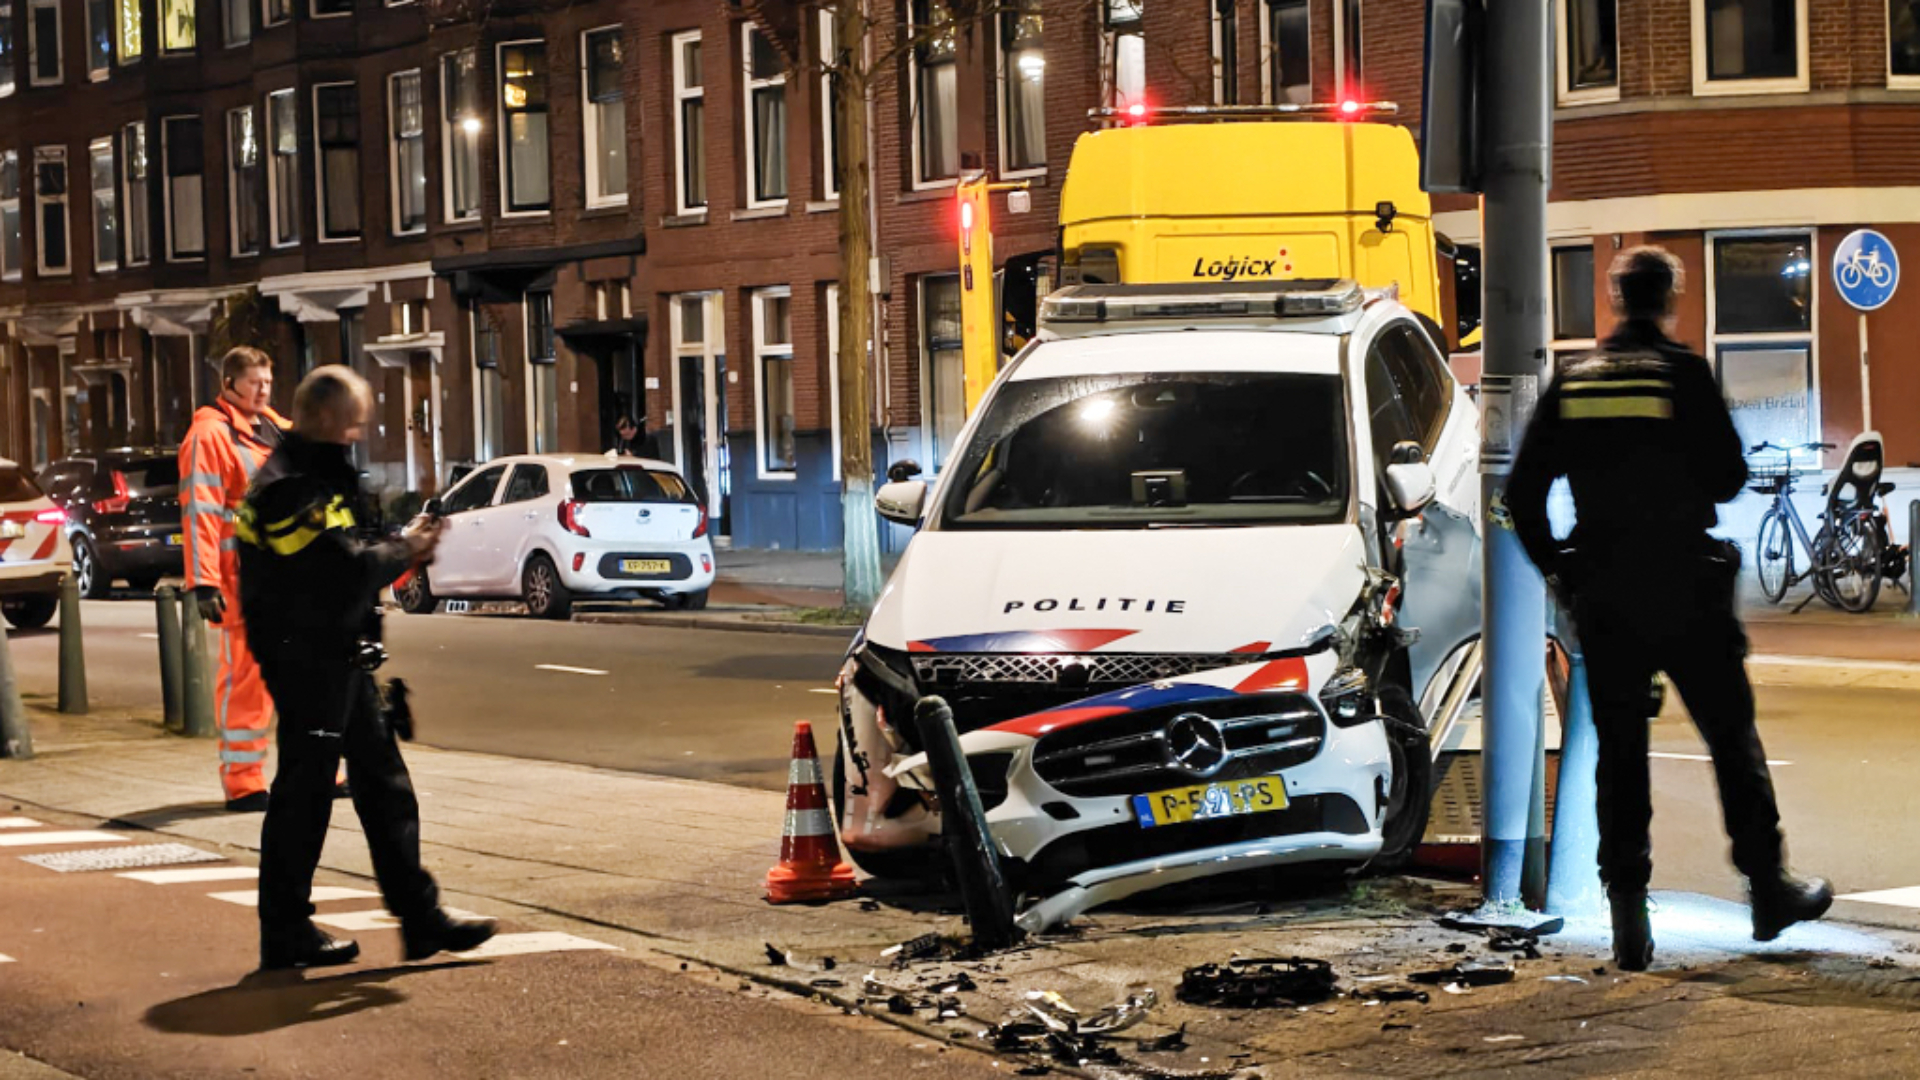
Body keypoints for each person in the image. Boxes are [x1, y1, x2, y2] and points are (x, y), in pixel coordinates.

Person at [1507, 246, 1831, 971]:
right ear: (1671, 298)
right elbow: (1727, 477)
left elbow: (1523, 496)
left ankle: (1629, 919)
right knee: (1730, 739)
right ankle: (1767, 892)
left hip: (1606, 593)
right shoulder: (1681, 373)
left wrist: (1562, 571)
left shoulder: (1575, 381)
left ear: (1617, 300)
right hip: (1685, 587)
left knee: (1620, 757)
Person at [236, 365, 495, 970]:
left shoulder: (313, 476)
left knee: (384, 785)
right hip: (308, 660)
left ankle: (420, 918)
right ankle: (285, 931)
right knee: (305, 794)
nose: (362, 432)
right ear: (327, 419)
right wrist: (406, 549)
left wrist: (398, 542)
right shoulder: (289, 486)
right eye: (354, 422)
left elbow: (347, 554)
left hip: (336, 655)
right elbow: (338, 570)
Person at [178, 347, 291, 812]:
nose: (263, 391)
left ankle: (319, 766)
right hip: (242, 580)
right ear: (229, 384)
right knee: (247, 679)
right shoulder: (210, 436)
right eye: (254, 384)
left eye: (267, 382)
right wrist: (203, 582)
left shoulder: (278, 429)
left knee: (305, 676)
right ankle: (243, 780)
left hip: (288, 576)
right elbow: (200, 513)